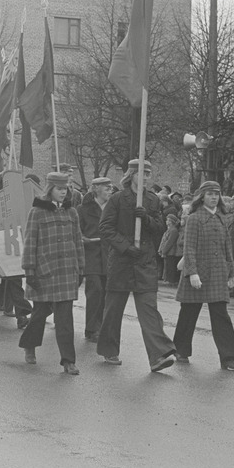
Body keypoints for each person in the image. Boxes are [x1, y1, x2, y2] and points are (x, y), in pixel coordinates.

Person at [96, 159, 176, 372]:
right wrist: (125, 246)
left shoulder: (152, 200)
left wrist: (146, 218)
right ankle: (109, 349)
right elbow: (105, 228)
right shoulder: (117, 199)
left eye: (148, 174)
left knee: (149, 310)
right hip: (121, 262)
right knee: (113, 310)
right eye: (142, 173)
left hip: (145, 261)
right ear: (131, 175)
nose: (146, 178)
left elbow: (159, 227)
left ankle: (158, 355)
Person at [18, 172, 85, 374]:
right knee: (39, 315)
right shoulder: (37, 212)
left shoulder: (71, 212)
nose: (63, 192)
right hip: (44, 271)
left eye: (65, 189)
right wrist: (29, 271)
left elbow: (78, 241)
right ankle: (29, 345)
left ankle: (68, 361)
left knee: (65, 320)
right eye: (59, 189)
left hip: (66, 272)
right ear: (50, 190)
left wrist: (81, 268)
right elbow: (30, 242)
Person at [173, 180, 234, 370]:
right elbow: (189, 248)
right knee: (188, 313)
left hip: (218, 272)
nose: (214, 197)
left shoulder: (221, 218)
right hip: (198, 272)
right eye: (210, 194)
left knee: (221, 315)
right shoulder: (194, 218)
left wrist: (232, 272)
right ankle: (180, 350)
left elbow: (227, 247)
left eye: (216, 194)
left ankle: (228, 357)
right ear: (202, 197)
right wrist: (192, 273)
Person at [78, 177, 112, 342]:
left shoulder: (112, 208)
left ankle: (100, 327)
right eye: (107, 188)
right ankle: (92, 329)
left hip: (108, 255)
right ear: (97, 189)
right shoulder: (83, 209)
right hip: (91, 254)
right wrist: (83, 238)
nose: (110, 191)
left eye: (111, 188)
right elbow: (77, 230)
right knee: (95, 290)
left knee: (105, 292)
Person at [158, 214, 182, 285]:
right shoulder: (169, 230)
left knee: (170, 267)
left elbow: (169, 242)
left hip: (170, 252)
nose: (166, 221)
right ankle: (167, 280)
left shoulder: (173, 231)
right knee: (167, 266)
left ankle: (170, 281)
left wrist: (163, 251)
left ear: (171, 221)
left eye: (168, 220)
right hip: (168, 252)